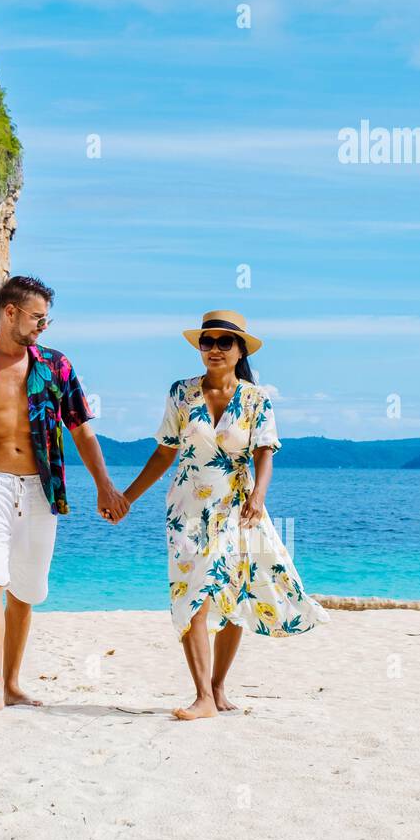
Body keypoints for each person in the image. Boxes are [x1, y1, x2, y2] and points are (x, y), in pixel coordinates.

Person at [0, 275, 129, 711]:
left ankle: (13, 684)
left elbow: (82, 432)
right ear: (9, 312)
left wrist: (105, 486)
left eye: (47, 319)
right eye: (37, 317)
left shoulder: (57, 366)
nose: (43, 326)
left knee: (26, 590)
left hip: (40, 489)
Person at [121, 309, 329, 721]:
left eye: (223, 342)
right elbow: (165, 451)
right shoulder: (181, 392)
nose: (214, 349)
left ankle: (216, 689)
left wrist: (259, 496)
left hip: (238, 506)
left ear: (239, 351)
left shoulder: (256, 398)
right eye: (207, 342)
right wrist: (127, 497)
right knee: (190, 594)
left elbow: (264, 451)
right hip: (186, 509)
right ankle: (201, 696)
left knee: (233, 594)